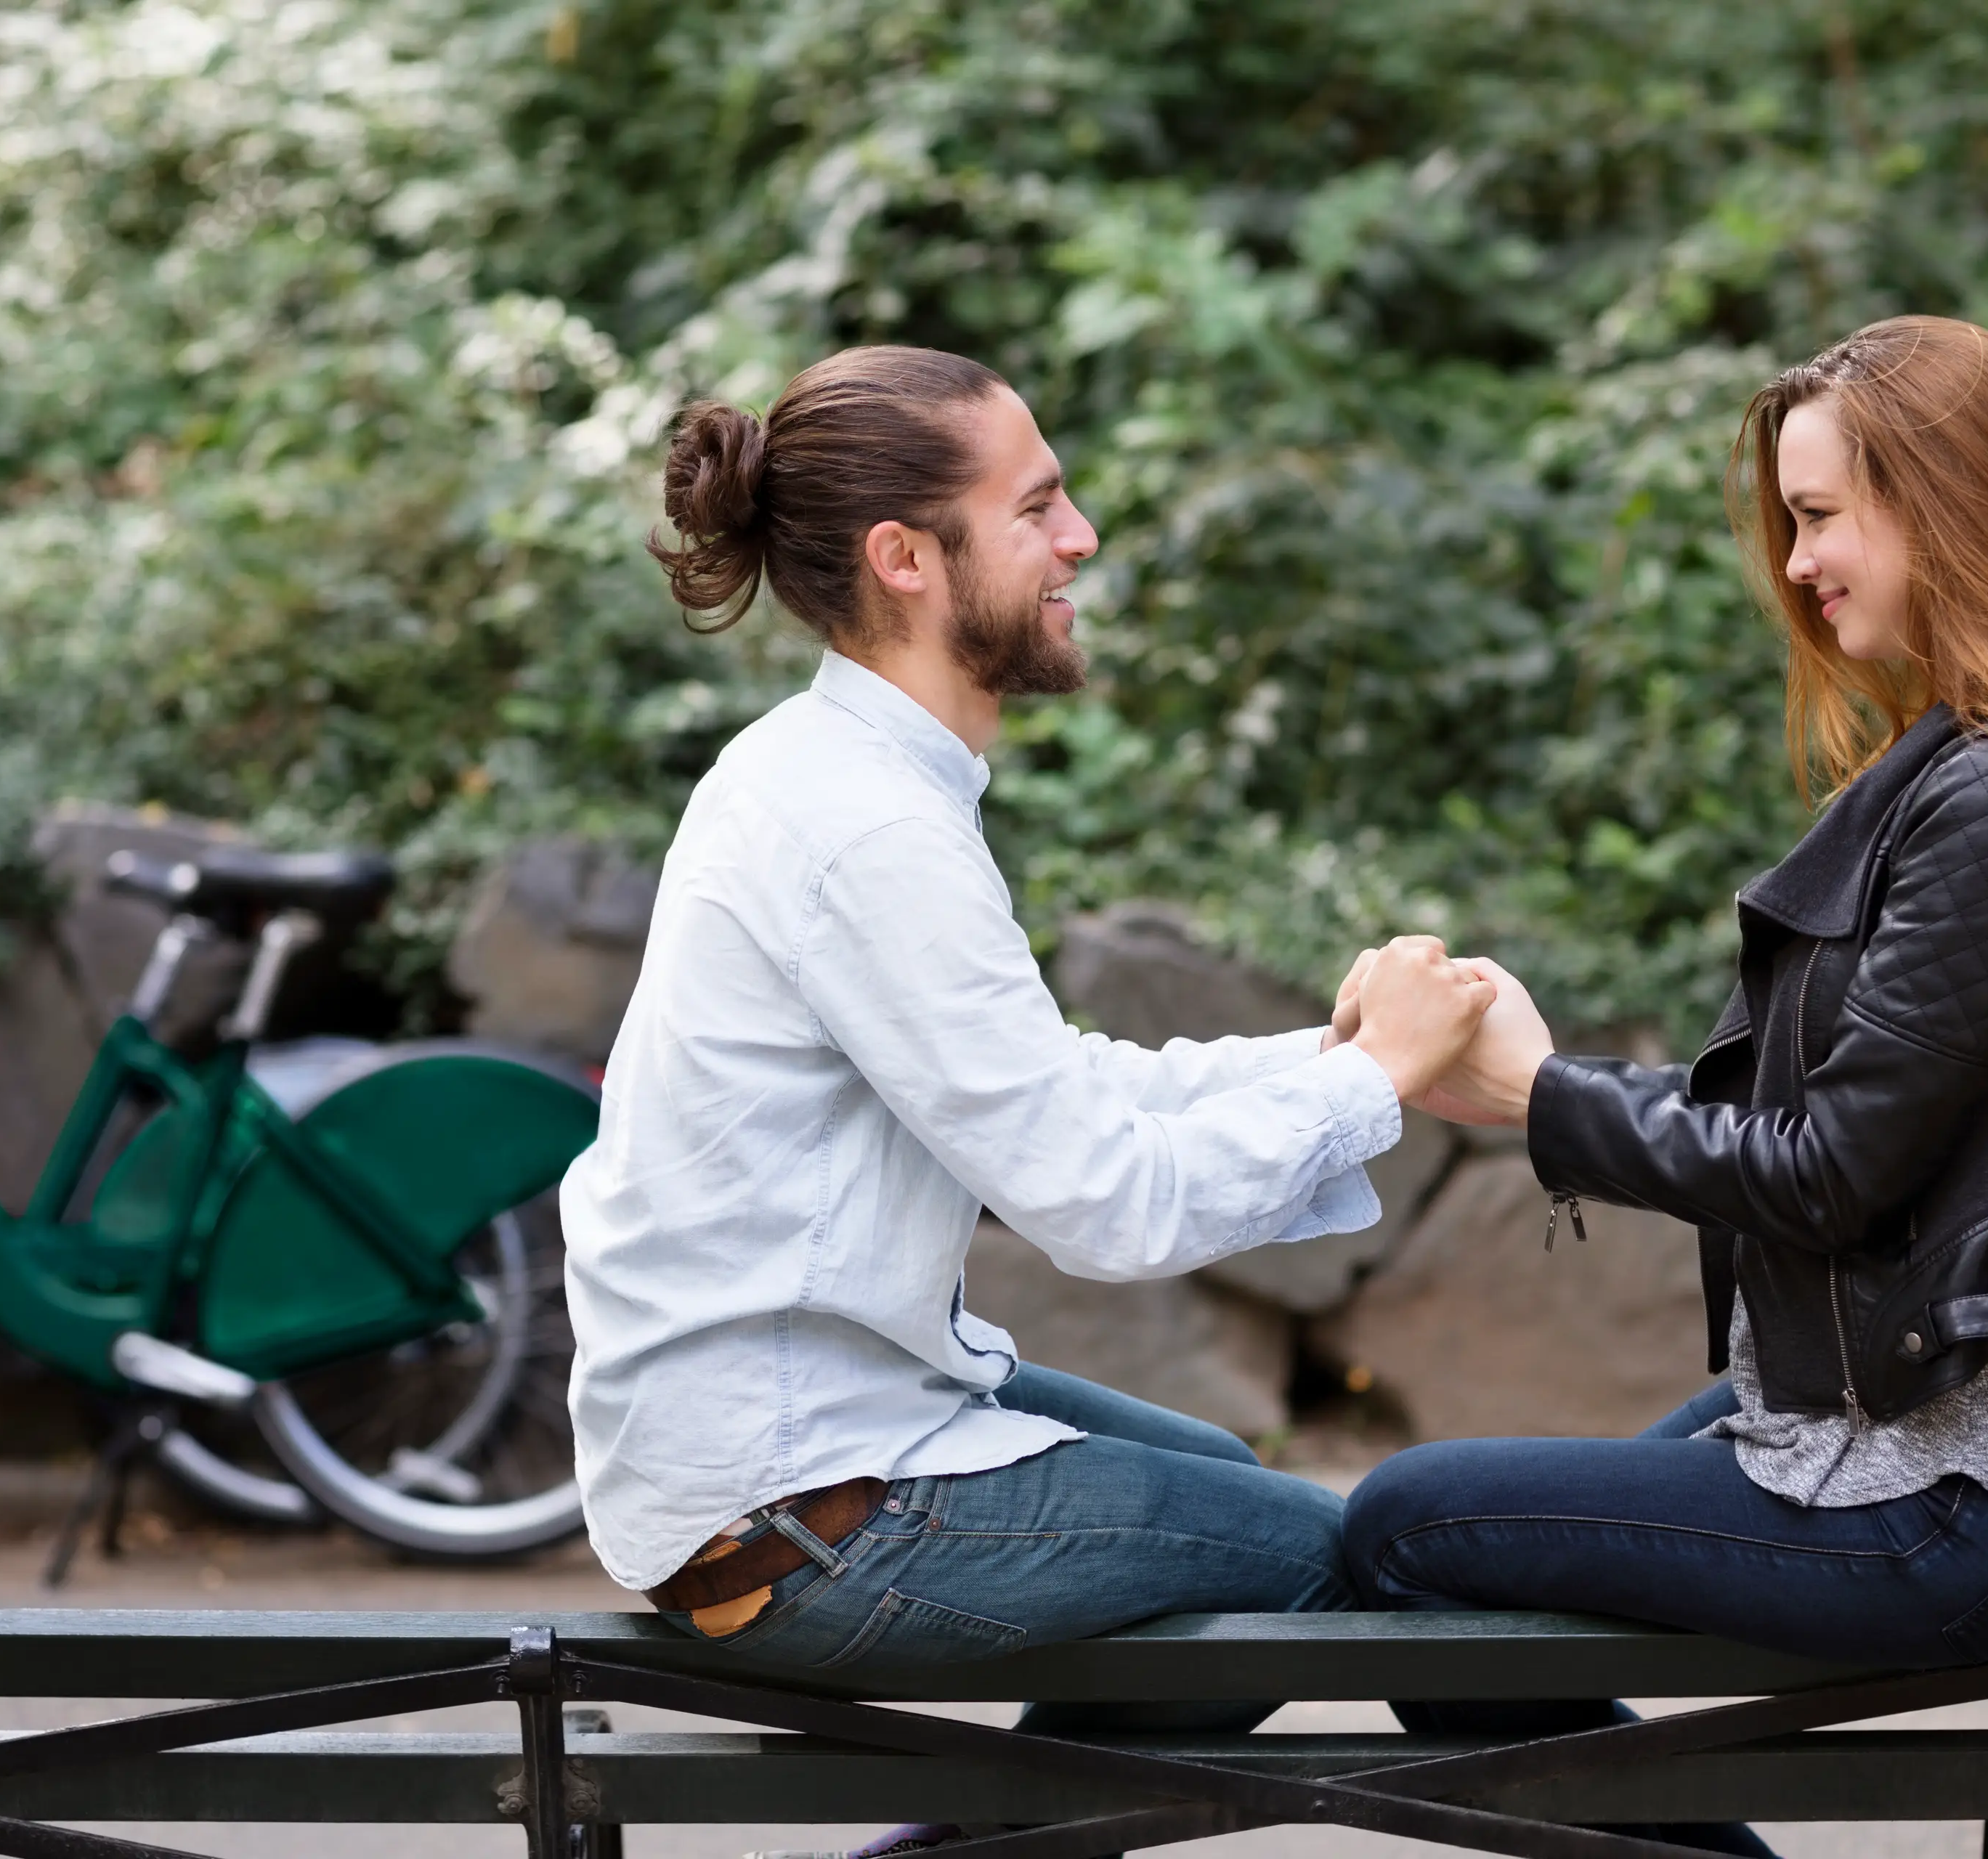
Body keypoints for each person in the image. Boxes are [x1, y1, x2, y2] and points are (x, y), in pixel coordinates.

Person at [1338, 316, 1988, 1855]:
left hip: (1961, 1493)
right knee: (1474, 1524)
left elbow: (1827, 1166)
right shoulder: (1983, 769)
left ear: (1946, 504)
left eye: (1820, 516)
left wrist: (1546, 1093)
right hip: (1905, 1426)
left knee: (1404, 1524)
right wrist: (1544, 1089)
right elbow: (1851, 1133)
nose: (1798, 564)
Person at [560, 345, 1489, 1738]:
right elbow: (1102, 1202)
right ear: (905, 559)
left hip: (762, 1444)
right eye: (1037, 507)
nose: (1080, 538)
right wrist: (1371, 1081)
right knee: (1368, 1559)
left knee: (1215, 1473)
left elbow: (1055, 1088)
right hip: (793, 1506)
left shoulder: (819, 769)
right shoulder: (871, 832)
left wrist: (1337, 1054)